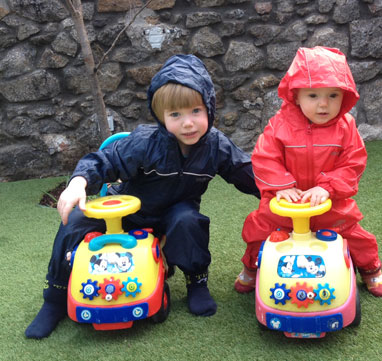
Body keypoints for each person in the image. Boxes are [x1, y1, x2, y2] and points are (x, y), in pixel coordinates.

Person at [25, 54, 260, 339]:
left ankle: (196, 282)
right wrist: (79, 182)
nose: (188, 123)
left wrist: (279, 189)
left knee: (188, 219)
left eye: (196, 111)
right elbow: (105, 160)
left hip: (174, 213)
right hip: (128, 210)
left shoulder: (216, 146)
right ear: (161, 117)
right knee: (74, 222)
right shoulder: (145, 142)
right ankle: (56, 298)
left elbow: (247, 172)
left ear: (209, 107)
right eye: (175, 115)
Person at [234, 46, 382, 298]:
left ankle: (370, 269)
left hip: (331, 205)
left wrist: (327, 187)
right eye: (313, 95)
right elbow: (265, 157)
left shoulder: (345, 126)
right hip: (285, 205)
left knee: (356, 234)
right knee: (257, 228)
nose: (323, 104)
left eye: (332, 95)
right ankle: (252, 268)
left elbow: (353, 162)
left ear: (345, 96)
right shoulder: (280, 124)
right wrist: (281, 186)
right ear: (296, 96)